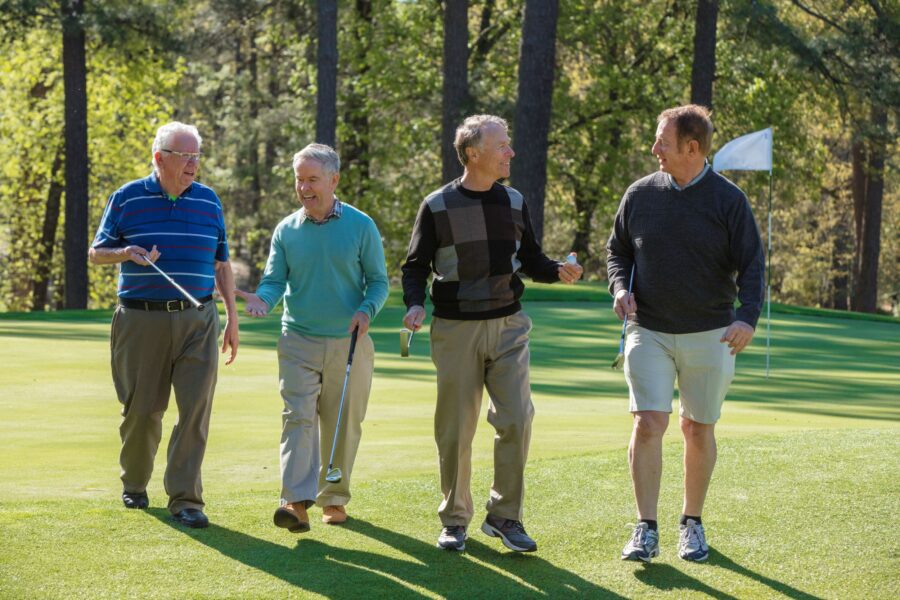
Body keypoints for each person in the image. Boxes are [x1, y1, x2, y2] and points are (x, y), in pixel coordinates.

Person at [402, 115, 583, 553]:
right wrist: (414, 303)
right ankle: (455, 519)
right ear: (473, 154)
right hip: (455, 329)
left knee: (518, 418)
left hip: (509, 325)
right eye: (502, 146)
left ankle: (505, 516)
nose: (510, 153)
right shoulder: (437, 205)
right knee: (456, 429)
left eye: (509, 144)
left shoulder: (515, 201)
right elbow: (414, 266)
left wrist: (559, 270)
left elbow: (532, 260)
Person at [607, 104, 765, 563]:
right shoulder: (639, 195)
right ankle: (645, 528)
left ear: (692, 148)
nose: (654, 148)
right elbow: (618, 251)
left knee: (697, 428)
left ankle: (691, 524)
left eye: (663, 141)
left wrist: (747, 317)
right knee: (648, 422)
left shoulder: (729, 200)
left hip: (713, 332)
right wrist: (619, 288)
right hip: (648, 329)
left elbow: (752, 264)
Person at [89, 121, 239, 529]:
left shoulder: (209, 201)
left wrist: (232, 318)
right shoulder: (127, 198)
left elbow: (221, 263)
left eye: (197, 156)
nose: (193, 164)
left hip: (199, 320)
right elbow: (96, 253)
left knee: (195, 411)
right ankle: (135, 482)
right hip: (141, 319)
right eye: (185, 156)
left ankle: (186, 499)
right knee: (142, 410)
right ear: (160, 158)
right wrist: (126, 252)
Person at [235, 144, 388, 533]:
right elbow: (273, 283)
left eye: (312, 179)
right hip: (298, 339)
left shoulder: (360, 225)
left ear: (334, 180)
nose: (304, 187)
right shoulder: (287, 229)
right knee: (297, 418)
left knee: (342, 423)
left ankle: (333, 499)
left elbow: (379, 283)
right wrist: (260, 302)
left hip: (348, 342)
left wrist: (366, 311)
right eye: (299, 179)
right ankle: (295, 501)